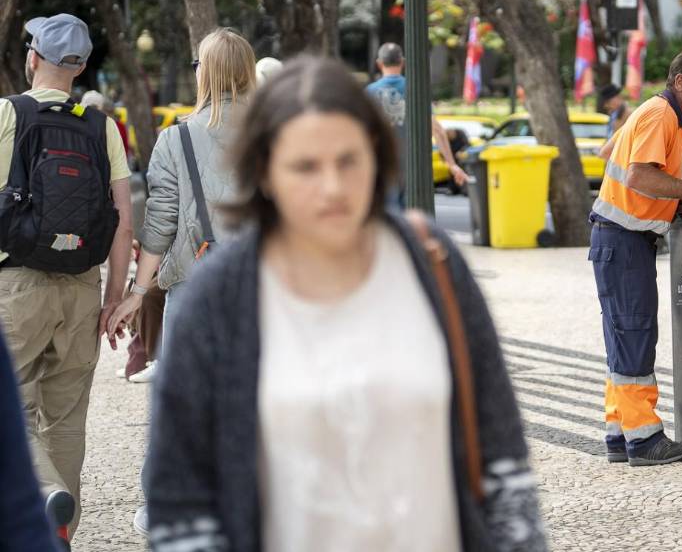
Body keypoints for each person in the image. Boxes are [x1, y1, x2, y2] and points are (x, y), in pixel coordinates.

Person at [143, 57, 544, 551]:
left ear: (377, 158)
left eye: (348, 160)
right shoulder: (218, 297)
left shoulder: (432, 264)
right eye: (305, 166)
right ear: (265, 172)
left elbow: (502, 458)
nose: (332, 187)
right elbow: (180, 501)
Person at [0, 14, 134, 548]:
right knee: (67, 420)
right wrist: (115, 295)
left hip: (15, 283)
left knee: (10, 408)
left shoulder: (7, 114)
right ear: (77, 69)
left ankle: (43, 491)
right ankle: (58, 536)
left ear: (33, 58)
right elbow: (122, 217)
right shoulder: (99, 125)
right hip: (82, 286)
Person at [589, 50, 682, 466]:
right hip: (624, 240)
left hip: (620, 240)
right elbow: (640, 175)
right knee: (635, 335)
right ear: (679, 82)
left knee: (623, 336)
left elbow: (608, 150)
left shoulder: (656, 112)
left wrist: (670, 199)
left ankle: (619, 433)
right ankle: (644, 439)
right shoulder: (660, 115)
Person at [104, 29, 258, 382]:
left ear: (205, 73)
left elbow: (160, 226)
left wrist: (138, 293)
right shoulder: (275, 133)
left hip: (194, 286)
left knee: (190, 411)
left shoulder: (177, 138)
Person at [365, 42, 468, 204]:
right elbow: (437, 130)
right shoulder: (416, 89)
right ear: (403, 62)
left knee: (388, 221)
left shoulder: (369, 93)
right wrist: (452, 164)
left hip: (383, 168)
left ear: (379, 63)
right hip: (414, 172)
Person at [1, 334, 57, 552]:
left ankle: (51, 490)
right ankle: (61, 530)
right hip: (82, 306)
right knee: (67, 424)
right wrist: (116, 298)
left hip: (20, 304)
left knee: (22, 417)